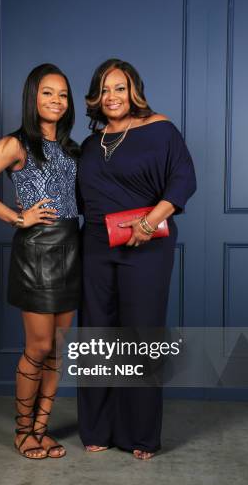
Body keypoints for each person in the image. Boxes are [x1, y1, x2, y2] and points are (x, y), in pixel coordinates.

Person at [0, 64, 80, 459]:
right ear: (33, 97)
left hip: (71, 247)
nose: (56, 101)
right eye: (48, 93)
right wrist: (17, 217)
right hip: (38, 251)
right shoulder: (16, 144)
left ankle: (41, 430)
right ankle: (22, 432)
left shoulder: (70, 146)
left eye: (63, 94)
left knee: (58, 348)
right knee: (39, 345)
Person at [77, 58, 196, 460]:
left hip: (146, 244)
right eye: (105, 89)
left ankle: (140, 435)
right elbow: (77, 197)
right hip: (94, 245)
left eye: (120, 88)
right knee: (97, 335)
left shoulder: (161, 129)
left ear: (135, 92)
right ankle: (97, 428)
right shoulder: (92, 143)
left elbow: (183, 180)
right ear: (96, 96)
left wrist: (148, 223)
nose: (112, 97)